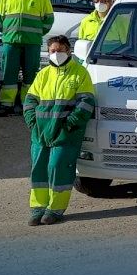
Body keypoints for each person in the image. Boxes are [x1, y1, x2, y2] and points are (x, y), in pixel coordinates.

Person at [23, 35, 97, 226]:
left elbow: (86, 103)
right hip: (40, 133)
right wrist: (33, 123)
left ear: (68, 51)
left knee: (58, 168)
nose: (56, 54)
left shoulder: (79, 73)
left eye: (60, 50)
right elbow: (30, 100)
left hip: (66, 133)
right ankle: (38, 208)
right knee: (39, 170)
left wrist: (69, 125)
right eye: (53, 51)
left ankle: (55, 209)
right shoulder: (43, 74)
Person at [0, 0, 53, 117]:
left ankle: (27, 105)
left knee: (30, 76)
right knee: (8, 75)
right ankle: (6, 105)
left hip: (32, 43)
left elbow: (49, 19)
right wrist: (7, 32)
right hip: (11, 42)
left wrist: (37, 33)